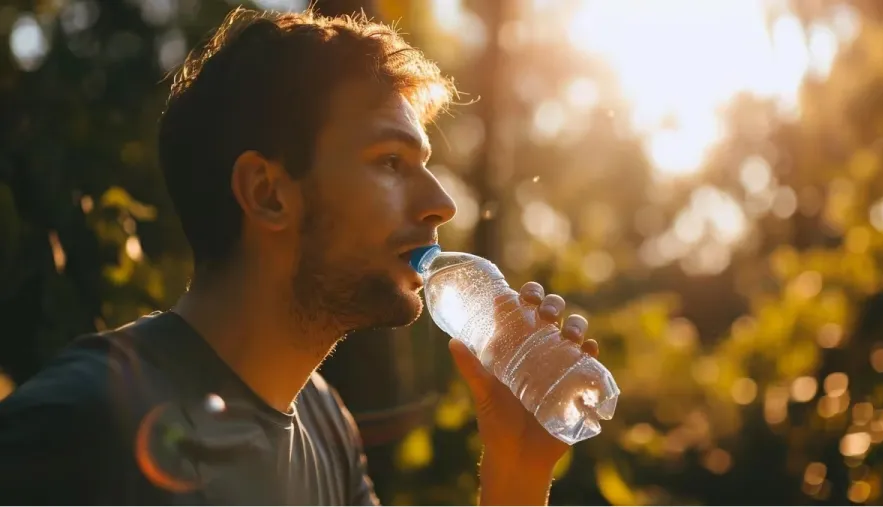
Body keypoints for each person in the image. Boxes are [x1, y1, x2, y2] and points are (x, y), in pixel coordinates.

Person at [0, 7, 600, 505]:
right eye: (391, 162)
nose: (441, 203)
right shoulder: (76, 426)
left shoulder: (325, 424)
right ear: (267, 193)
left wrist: (516, 471)